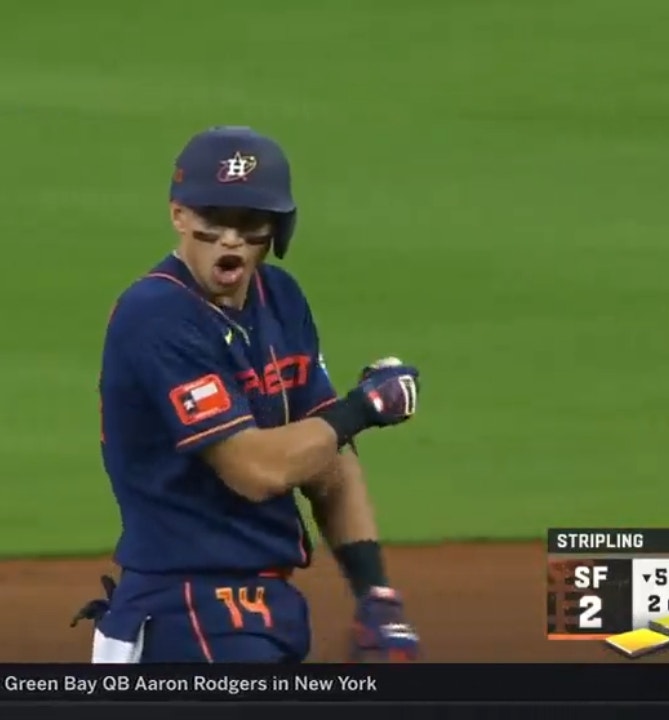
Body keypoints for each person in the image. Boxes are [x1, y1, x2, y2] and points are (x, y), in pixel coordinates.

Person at [73, 126, 423, 663]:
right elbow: (254, 469)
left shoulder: (280, 299)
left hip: (268, 606)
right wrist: (365, 408)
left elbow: (326, 453)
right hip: (182, 609)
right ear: (179, 215)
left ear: (276, 228)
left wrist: (376, 595)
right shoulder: (157, 314)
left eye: (248, 223)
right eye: (214, 218)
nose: (231, 239)